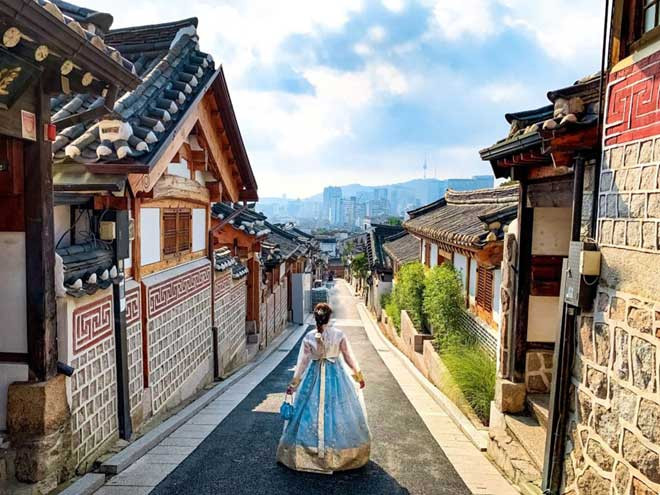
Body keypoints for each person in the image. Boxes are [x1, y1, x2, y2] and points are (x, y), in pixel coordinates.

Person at [276, 303, 371, 474]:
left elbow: (302, 363)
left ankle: (308, 453)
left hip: (313, 377)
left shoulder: (309, 337)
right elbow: (348, 356)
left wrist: (294, 384)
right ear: (329, 317)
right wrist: (358, 375)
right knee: (338, 410)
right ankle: (339, 454)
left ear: (315, 317)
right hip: (336, 377)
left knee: (308, 410)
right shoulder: (339, 335)